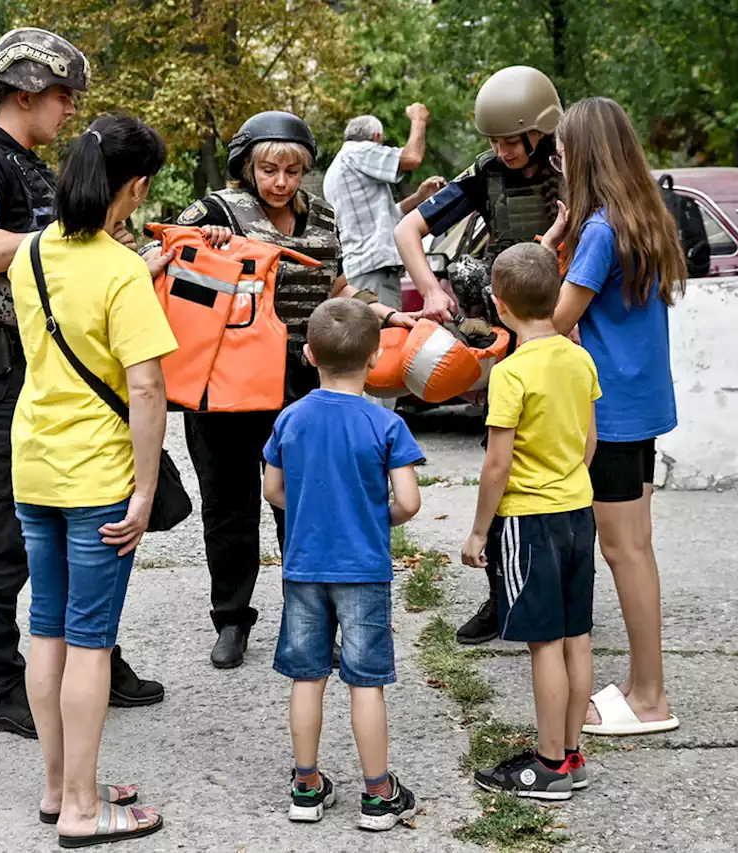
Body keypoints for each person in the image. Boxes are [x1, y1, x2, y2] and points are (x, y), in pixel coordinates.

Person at [0, 28, 162, 739]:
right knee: (7, 535)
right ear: (25, 93)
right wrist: (62, 244)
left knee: (89, 520)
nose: (70, 110)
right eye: (63, 96)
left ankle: (95, 657)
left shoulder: (33, 167)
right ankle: (5, 686)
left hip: (51, 372)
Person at [171, 111, 413, 669]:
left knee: (301, 501)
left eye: (292, 170)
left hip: (302, 383)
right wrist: (200, 240)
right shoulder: (216, 211)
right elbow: (167, 256)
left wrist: (382, 314)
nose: (280, 181)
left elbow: (338, 286)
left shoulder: (323, 216)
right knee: (229, 504)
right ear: (246, 166)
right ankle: (231, 619)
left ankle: (307, 617)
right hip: (225, 384)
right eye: (268, 169)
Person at [7, 115, 174, 845]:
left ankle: (58, 786)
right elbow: (145, 390)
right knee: (90, 640)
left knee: (46, 627)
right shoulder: (122, 269)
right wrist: (143, 490)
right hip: (97, 476)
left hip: (35, 465)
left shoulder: (29, 255)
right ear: (133, 188)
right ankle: (81, 808)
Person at [393, 65, 565, 645]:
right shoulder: (485, 175)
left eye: (512, 140)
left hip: (567, 337)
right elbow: (407, 231)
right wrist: (434, 290)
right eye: (494, 140)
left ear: (540, 131)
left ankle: (562, 590)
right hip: (506, 338)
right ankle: (502, 592)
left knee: (563, 468)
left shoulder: (572, 175)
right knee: (503, 467)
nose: (502, 150)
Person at [542, 97, 685, 736]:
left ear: (588, 156)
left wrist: (549, 244)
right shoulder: (643, 217)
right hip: (644, 406)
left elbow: (553, 319)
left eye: (564, 150)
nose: (557, 159)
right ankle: (640, 685)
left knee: (623, 550)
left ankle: (650, 698)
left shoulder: (598, 231)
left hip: (614, 416)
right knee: (637, 547)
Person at [263, 298, 424, 831]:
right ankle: (378, 794)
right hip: (363, 568)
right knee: (365, 683)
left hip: (305, 567)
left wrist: (315, 505)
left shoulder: (290, 418)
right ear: (376, 358)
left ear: (308, 355)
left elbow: (274, 490)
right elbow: (408, 501)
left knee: (307, 676)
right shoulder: (384, 424)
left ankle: (305, 787)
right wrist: (375, 517)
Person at [460, 242, 599, 799]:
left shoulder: (510, 374)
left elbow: (497, 464)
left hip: (529, 519)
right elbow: (589, 441)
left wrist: (477, 530)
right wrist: (569, 480)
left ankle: (545, 766)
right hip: (577, 511)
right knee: (577, 637)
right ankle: (570, 754)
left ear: (499, 305)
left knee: (544, 643)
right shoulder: (579, 357)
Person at [323, 107, 446, 309]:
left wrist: (419, 196)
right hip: (374, 268)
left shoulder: (338, 167)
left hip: (361, 267)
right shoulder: (358, 152)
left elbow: (391, 215)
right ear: (377, 137)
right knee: (386, 335)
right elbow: (412, 157)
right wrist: (419, 120)